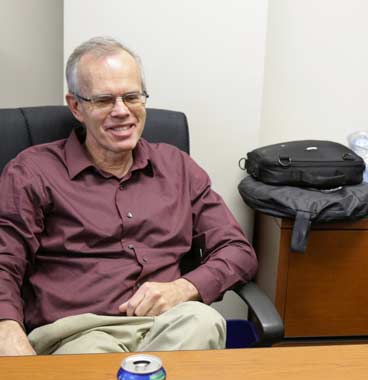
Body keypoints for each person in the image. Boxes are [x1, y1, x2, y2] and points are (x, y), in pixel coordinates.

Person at [0, 37, 257, 355]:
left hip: (168, 327)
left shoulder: (177, 167)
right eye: (105, 100)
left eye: (132, 97)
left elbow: (237, 250)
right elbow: (4, 260)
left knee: (203, 322)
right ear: (77, 106)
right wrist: (6, 328)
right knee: (92, 357)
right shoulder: (33, 171)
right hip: (80, 333)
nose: (122, 111)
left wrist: (184, 287)